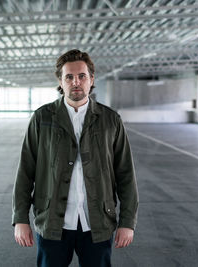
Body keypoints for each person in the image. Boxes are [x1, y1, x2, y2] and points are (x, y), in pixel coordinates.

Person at [12, 49, 138, 267]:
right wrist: (20, 218)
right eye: (69, 77)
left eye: (82, 76)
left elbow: (125, 174)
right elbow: (25, 171)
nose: (76, 82)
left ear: (91, 80)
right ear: (61, 81)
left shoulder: (110, 120)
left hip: (97, 223)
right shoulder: (42, 118)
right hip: (52, 222)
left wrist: (128, 221)